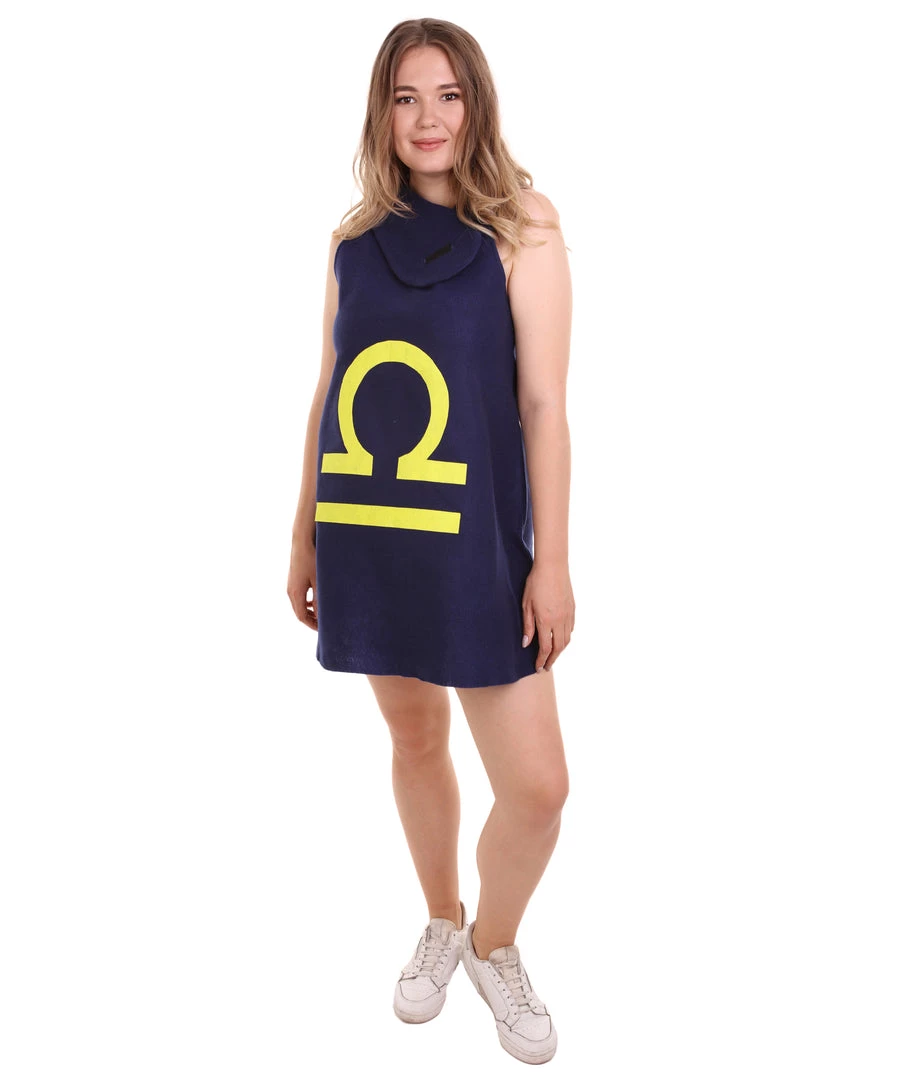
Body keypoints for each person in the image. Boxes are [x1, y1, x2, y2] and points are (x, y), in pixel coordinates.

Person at [287, 17, 574, 1066]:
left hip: (478, 545)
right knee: (413, 740)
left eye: (446, 95)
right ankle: (441, 920)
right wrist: (303, 536)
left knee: (536, 787)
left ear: (475, 105)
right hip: (371, 534)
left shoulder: (523, 227)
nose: (427, 118)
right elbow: (329, 393)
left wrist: (552, 560)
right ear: (382, 111)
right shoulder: (351, 241)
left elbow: (542, 407)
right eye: (406, 97)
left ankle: (493, 945)